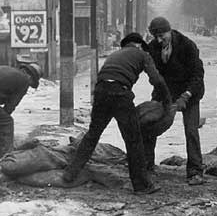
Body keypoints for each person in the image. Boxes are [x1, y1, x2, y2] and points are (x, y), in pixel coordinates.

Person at [64, 33, 171, 194]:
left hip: (101, 91)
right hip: (120, 93)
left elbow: (106, 76)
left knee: (93, 135)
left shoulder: (115, 55)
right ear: (139, 45)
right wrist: (167, 100)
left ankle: (70, 173)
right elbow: (157, 80)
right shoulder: (142, 54)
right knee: (133, 139)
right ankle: (142, 186)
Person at [146, 16, 206, 185]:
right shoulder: (152, 48)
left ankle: (195, 171)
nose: (159, 40)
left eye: (162, 36)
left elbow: (197, 76)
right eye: (156, 37)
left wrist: (185, 96)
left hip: (190, 91)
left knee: (191, 130)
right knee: (151, 124)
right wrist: (164, 96)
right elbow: (152, 75)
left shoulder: (187, 46)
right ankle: (147, 167)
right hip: (165, 91)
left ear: (169, 31)